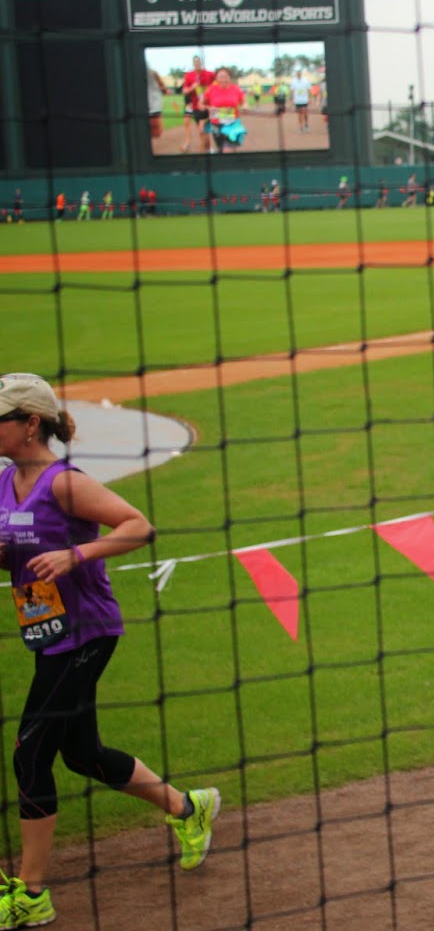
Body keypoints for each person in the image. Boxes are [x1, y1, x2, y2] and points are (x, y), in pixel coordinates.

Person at [0, 374, 220, 928]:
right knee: (82, 753)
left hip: (86, 631)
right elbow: (21, 551)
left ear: (30, 424)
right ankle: (188, 808)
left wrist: (76, 555)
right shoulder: (6, 482)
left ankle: (31, 893)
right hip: (48, 631)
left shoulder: (64, 483)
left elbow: (139, 526)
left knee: (30, 753)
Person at [204, 69, 248, 155]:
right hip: (216, 126)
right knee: (221, 149)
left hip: (232, 125)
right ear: (216, 78)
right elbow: (201, 104)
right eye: (221, 77)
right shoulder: (211, 90)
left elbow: (244, 102)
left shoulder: (236, 89)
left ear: (230, 78)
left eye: (226, 77)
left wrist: (244, 107)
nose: (223, 79)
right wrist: (209, 108)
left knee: (227, 151)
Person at [179, 56, 214, 155]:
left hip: (208, 106)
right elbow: (184, 91)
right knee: (202, 131)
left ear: (202, 63)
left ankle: (207, 150)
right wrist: (192, 87)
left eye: (198, 61)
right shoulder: (189, 76)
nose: (197, 63)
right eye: (195, 62)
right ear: (193, 63)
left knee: (205, 130)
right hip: (195, 107)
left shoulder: (210, 74)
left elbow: (218, 83)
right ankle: (206, 149)